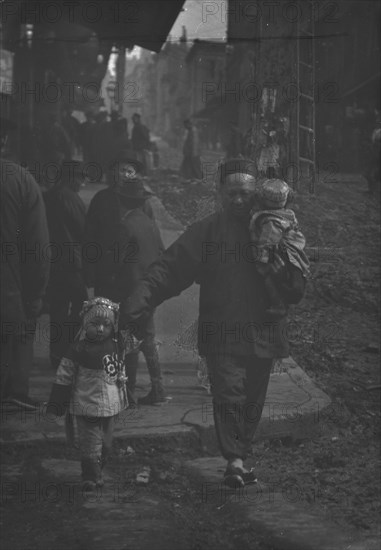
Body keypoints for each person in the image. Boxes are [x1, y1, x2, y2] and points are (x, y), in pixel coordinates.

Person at [119, 158, 307, 487]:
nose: (238, 200)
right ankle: (234, 460)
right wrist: (137, 302)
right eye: (231, 193)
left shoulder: (274, 229)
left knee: (252, 399)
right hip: (222, 332)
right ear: (220, 193)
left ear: (256, 193)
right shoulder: (206, 232)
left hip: (263, 332)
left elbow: (296, 286)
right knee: (229, 393)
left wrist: (284, 269)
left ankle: (239, 458)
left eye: (245, 194)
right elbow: (169, 269)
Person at [83, 151, 167, 406]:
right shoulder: (102, 200)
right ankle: (151, 388)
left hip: (121, 281)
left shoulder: (137, 212)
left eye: (130, 171)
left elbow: (124, 253)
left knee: (122, 336)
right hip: (131, 282)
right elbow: (89, 237)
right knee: (142, 336)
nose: (125, 174)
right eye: (122, 170)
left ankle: (124, 388)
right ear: (114, 173)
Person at [46, 297, 135, 490]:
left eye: (106, 324)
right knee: (89, 441)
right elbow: (64, 376)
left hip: (110, 405)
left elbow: (121, 370)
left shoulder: (116, 346)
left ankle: (97, 471)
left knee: (105, 442)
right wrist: (57, 403)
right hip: (86, 402)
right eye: (95, 324)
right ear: (85, 324)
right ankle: (90, 476)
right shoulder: (77, 349)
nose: (101, 329)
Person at [0, 122, 50, 410]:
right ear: (4, 139)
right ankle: (14, 394)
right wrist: (35, 296)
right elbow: (37, 249)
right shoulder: (19, 180)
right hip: (9, 297)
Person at [43, 161, 88, 369]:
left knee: (57, 310)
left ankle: (56, 355)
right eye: (80, 177)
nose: (83, 182)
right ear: (71, 177)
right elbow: (83, 229)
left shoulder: (50, 195)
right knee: (82, 307)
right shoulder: (70, 197)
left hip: (53, 262)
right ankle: (71, 351)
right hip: (71, 262)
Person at [249, 179, 310, 318]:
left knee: (268, 278)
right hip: (293, 249)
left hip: (281, 253)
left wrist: (262, 263)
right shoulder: (287, 214)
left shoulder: (270, 221)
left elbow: (267, 243)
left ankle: (278, 305)